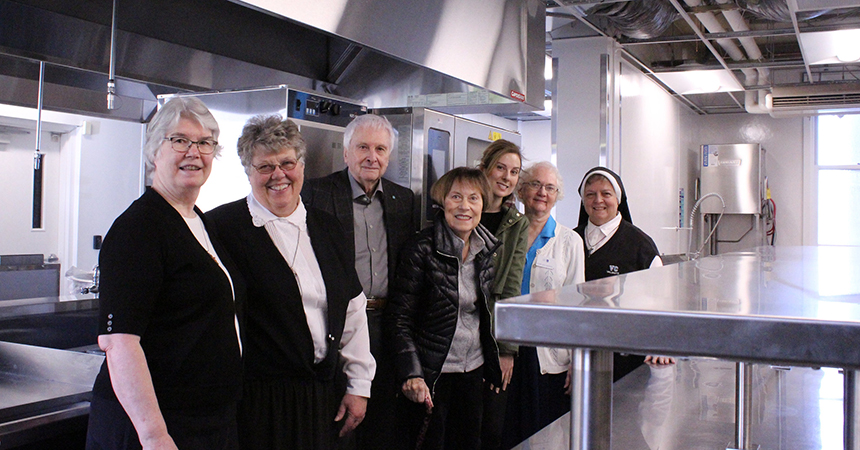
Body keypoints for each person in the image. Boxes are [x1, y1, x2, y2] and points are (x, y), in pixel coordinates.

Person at [208, 115, 375, 450]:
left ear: (302, 165)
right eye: (265, 167)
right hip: (258, 402)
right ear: (248, 171)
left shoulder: (328, 226)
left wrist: (359, 385)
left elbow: (353, 308)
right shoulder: (220, 228)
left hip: (323, 395)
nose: (278, 175)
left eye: (287, 163)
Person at [86, 97, 242, 450]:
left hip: (204, 421)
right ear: (155, 151)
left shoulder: (200, 222)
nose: (194, 152)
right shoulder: (139, 228)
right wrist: (155, 436)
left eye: (204, 143)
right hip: (155, 428)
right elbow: (119, 341)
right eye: (180, 140)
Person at [302, 113, 419, 450]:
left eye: (381, 149)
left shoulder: (403, 199)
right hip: (337, 323)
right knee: (339, 418)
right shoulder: (317, 193)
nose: (372, 156)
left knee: (383, 419)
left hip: (386, 323)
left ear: (389, 155)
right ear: (346, 153)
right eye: (363, 147)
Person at [386, 167, 503, 450]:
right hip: (432, 372)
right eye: (456, 197)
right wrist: (412, 373)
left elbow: (483, 312)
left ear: (483, 205)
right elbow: (399, 318)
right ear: (443, 202)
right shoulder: (421, 249)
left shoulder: (486, 249)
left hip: (473, 369)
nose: (465, 206)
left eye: (474, 198)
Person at [501, 161, 585, 449]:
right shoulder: (504, 233)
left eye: (550, 187)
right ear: (522, 190)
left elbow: (577, 307)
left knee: (544, 435)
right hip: (506, 346)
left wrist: (577, 360)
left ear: (557, 195)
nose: (542, 192)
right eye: (536, 184)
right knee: (504, 430)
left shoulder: (569, 242)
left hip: (548, 355)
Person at [573, 166, 674, 381]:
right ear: (583, 201)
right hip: (578, 350)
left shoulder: (640, 245)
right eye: (590, 194)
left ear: (618, 199)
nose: (598, 200)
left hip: (625, 355)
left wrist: (662, 344)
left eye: (606, 194)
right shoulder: (570, 240)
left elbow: (661, 301)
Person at [475, 140, 528, 450]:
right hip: (457, 333)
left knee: (492, 428)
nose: (507, 178)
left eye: (514, 172)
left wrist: (507, 349)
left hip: (494, 334)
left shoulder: (517, 223)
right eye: (501, 168)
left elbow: (512, 287)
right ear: (485, 169)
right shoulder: (465, 208)